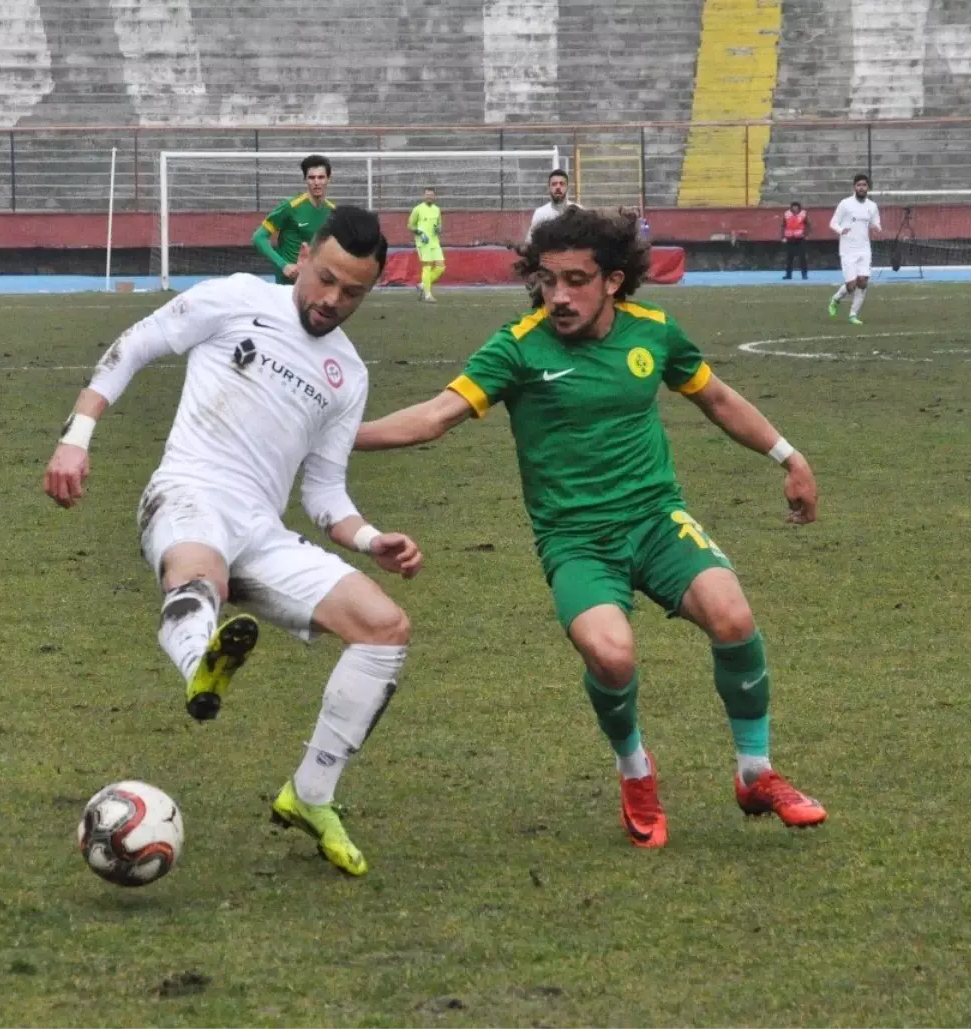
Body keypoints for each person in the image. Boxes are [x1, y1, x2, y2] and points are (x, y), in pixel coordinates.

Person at [355, 207, 826, 850]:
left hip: (657, 520)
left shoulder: (653, 334)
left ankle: (756, 772)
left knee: (733, 617)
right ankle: (635, 770)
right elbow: (435, 416)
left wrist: (789, 456)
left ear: (612, 281)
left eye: (576, 280)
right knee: (611, 654)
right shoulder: (519, 347)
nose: (558, 297)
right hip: (575, 539)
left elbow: (717, 399)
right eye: (548, 281)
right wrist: (339, 438)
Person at [44, 207, 420, 878]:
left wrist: (370, 538)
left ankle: (310, 795)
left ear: (371, 290)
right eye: (325, 279)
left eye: (352, 293)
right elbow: (134, 346)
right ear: (303, 257)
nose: (332, 301)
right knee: (200, 574)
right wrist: (76, 438)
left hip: (263, 530)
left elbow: (325, 493)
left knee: (385, 627)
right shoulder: (237, 297)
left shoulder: (349, 375)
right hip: (187, 493)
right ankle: (202, 666)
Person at [252, 154, 335, 285]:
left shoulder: (332, 211)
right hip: (287, 286)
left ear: (328, 179)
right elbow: (259, 237)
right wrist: (283, 265)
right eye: (311, 177)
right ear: (305, 180)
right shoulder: (290, 206)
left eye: (321, 177)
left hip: (313, 285)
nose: (316, 182)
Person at [828, 174, 881, 324]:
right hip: (848, 250)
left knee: (862, 282)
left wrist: (877, 227)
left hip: (864, 249)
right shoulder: (845, 204)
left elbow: (874, 222)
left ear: (868, 188)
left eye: (864, 185)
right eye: (859, 185)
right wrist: (840, 230)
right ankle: (835, 299)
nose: (861, 188)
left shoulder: (872, 206)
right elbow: (833, 223)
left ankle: (853, 315)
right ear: (854, 187)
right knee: (851, 286)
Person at [408, 186, 444, 302]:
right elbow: (410, 225)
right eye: (427, 194)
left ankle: (422, 285)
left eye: (431, 195)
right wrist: (420, 233)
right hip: (423, 243)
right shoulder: (417, 209)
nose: (429, 196)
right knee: (427, 267)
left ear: (434, 197)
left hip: (434, 242)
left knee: (440, 267)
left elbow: (439, 225)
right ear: (424, 196)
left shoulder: (437, 209)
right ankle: (428, 295)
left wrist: (438, 229)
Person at [526, 168, 576, 242]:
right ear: (549, 188)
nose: (558, 187)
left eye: (562, 184)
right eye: (554, 184)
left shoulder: (577, 211)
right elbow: (530, 242)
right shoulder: (540, 213)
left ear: (567, 188)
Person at [781, 200, 809, 280]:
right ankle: (788, 275)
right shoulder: (786, 214)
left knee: (802, 257)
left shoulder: (803, 214)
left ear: (799, 207)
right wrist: (783, 237)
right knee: (789, 258)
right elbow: (783, 226)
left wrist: (806, 234)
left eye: (796, 207)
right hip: (790, 239)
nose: (795, 208)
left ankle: (804, 274)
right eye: (793, 206)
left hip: (800, 239)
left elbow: (808, 225)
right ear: (791, 207)